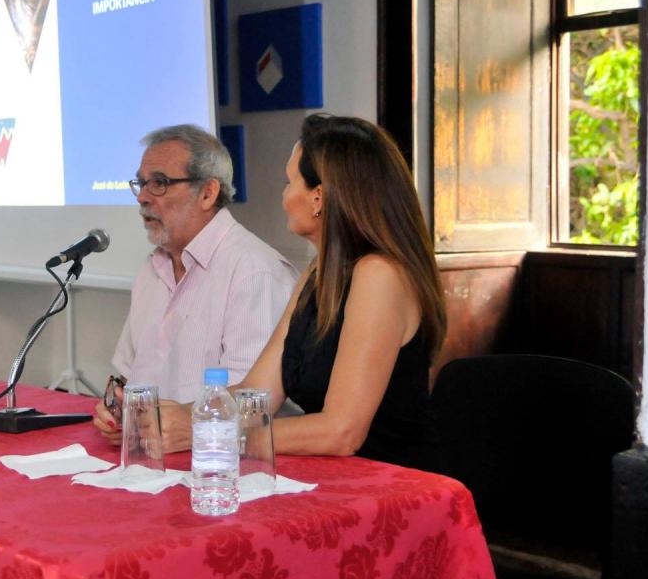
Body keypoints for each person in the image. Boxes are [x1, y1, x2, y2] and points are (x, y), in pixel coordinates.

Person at [146, 114, 446, 471]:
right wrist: (175, 415)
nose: (284, 195)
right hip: (335, 476)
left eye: (290, 182)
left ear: (318, 197)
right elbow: (258, 394)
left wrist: (210, 432)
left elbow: (341, 432)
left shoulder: (379, 275)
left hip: (395, 482)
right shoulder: (318, 273)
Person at [95, 125, 297, 434]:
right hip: (152, 452)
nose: (143, 198)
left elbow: (254, 405)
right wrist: (116, 411)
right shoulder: (153, 268)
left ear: (207, 193)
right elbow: (128, 376)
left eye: (159, 183)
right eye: (141, 183)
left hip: (221, 456)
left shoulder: (255, 271)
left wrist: (181, 426)